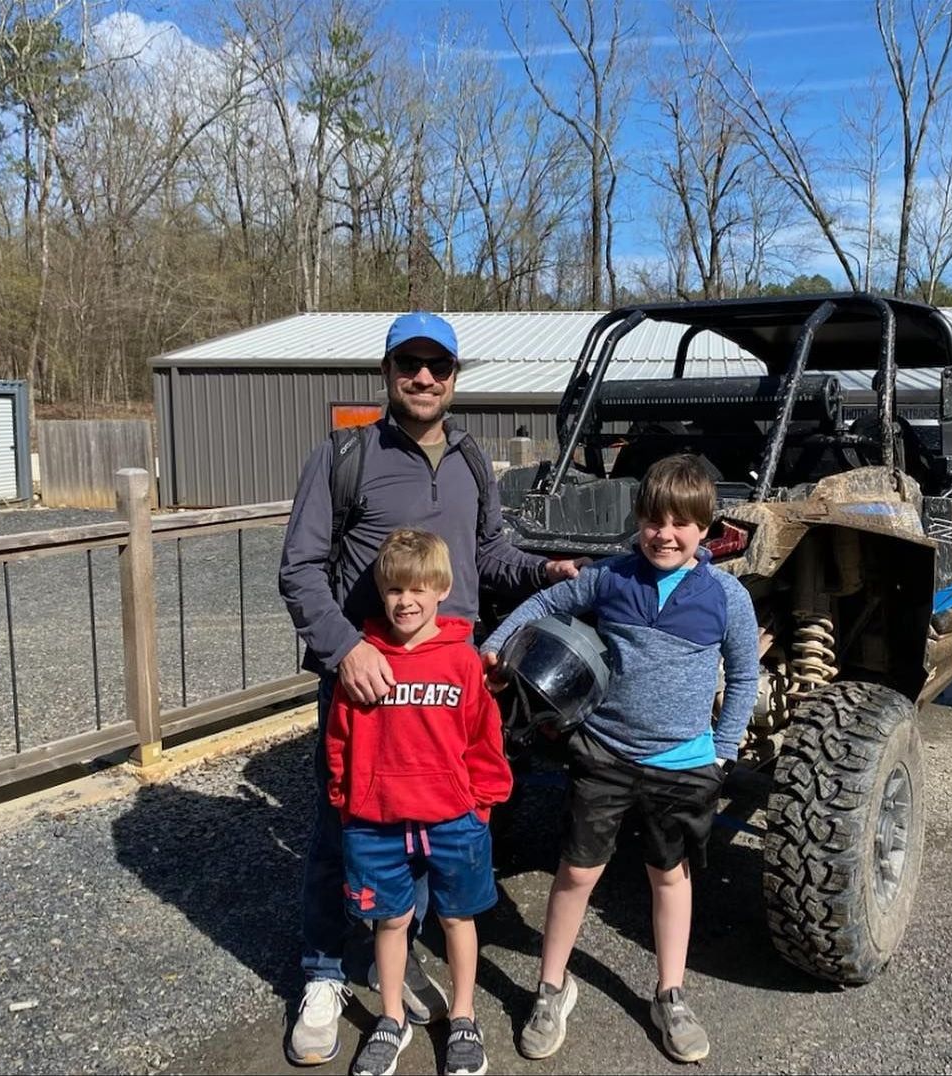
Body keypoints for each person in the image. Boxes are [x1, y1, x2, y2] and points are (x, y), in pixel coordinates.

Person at [278, 311, 581, 1066]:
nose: (423, 378)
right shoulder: (346, 456)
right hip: (370, 685)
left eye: (437, 366)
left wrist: (544, 571)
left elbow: (489, 554)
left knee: (446, 826)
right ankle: (323, 974)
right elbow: (300, 569)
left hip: (450, 685)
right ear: (387, 373)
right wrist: (345, 649)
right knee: (342, 828)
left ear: (454, 377)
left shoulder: (474, 460)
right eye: (409, 364)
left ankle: (401, 957)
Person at [481, 454, 760, 1065]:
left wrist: (721, 752)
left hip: (683, 763)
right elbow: (543, 605)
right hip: (604, 753)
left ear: (707, 528)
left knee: (670, 875)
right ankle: (552, 987)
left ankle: (671, 993)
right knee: (578, 871)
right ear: (638, 522)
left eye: (682, 523)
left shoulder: (727, 597)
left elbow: (743, 676)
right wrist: (497, 647)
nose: (666, 534)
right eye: (654, 521)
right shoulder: (611, 577)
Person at [327, 530, 511, 1076]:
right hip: (375, 823)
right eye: (393, 591)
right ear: (381, 594)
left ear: (442, 590)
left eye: (417, 589)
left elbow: (484, 738)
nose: (405, 601)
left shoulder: (462, 661)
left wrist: (481, 805)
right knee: (390, 922)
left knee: (457, 919)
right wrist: (348, 800)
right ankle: (391, 1018)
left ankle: (463, 1017)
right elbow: (339, 740)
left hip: (454, 821)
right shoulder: (363, 662)